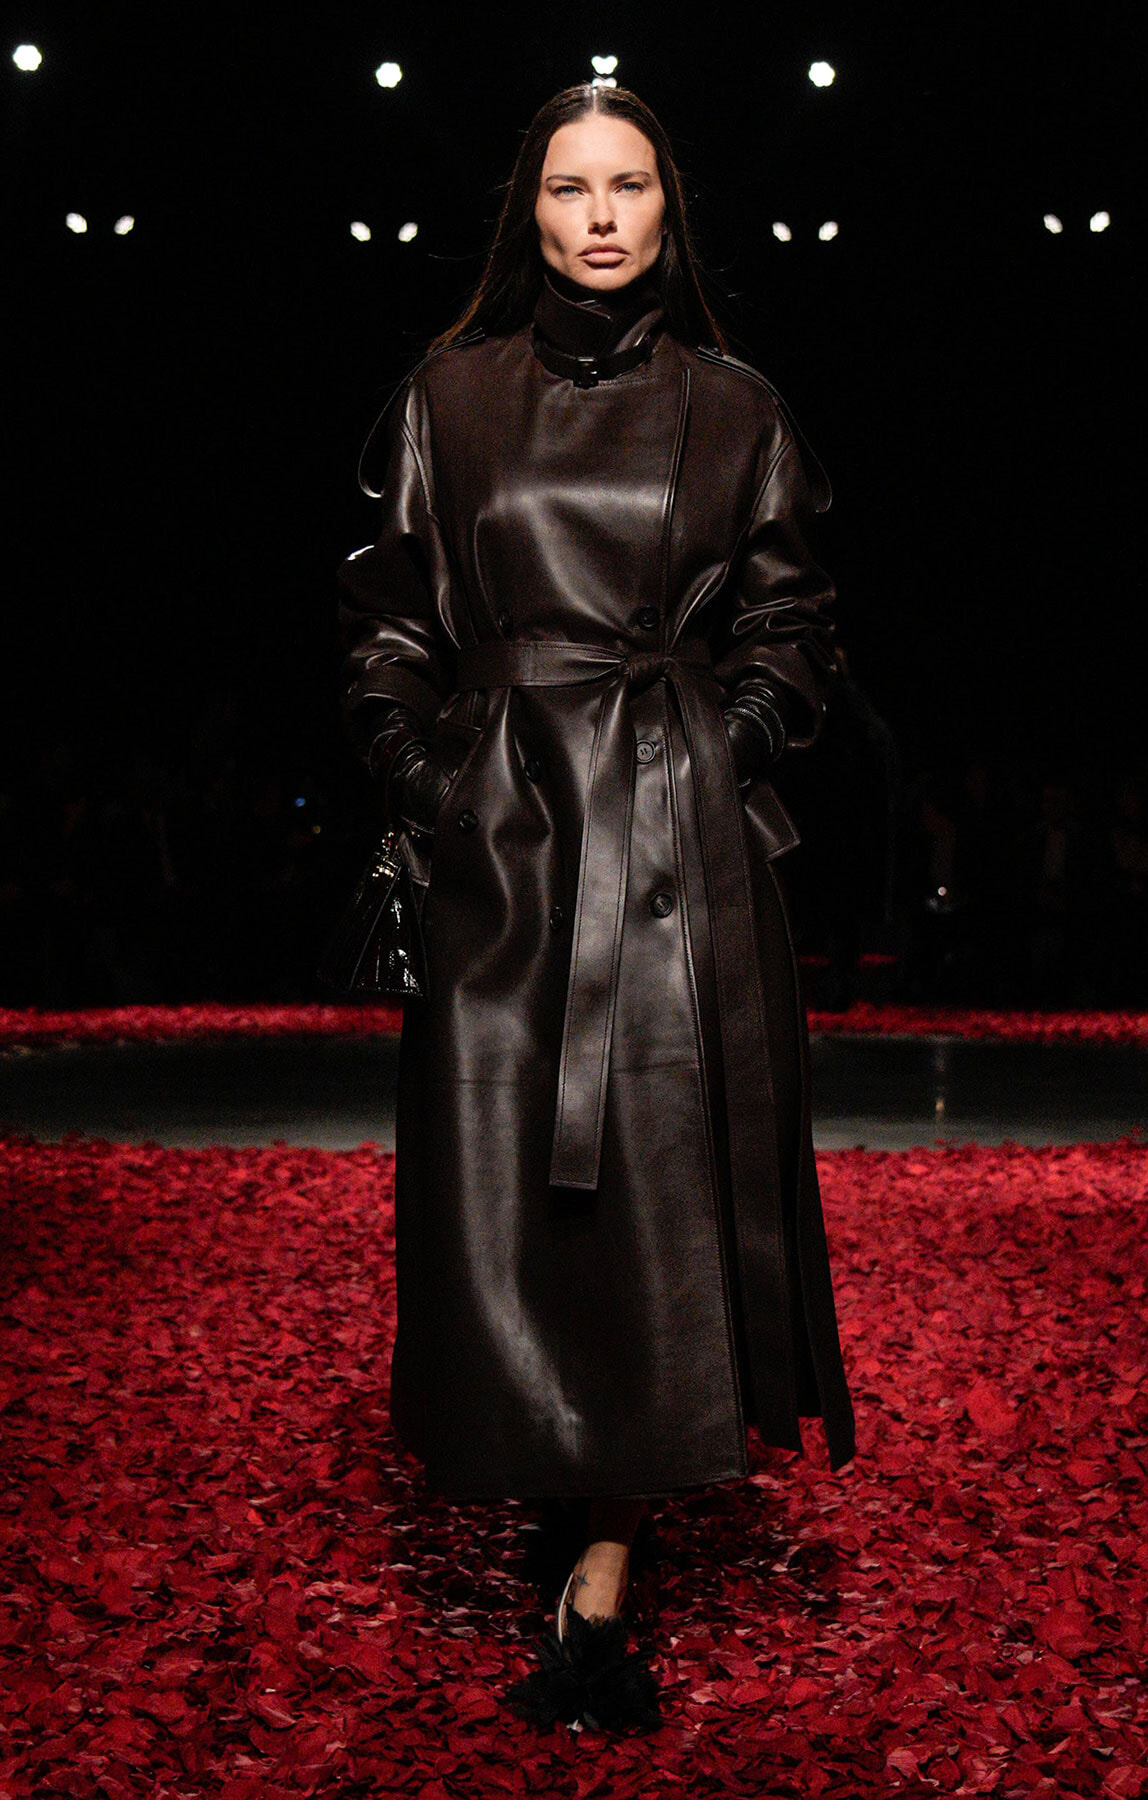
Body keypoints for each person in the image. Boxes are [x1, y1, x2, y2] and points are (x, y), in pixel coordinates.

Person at [335, 82, 855, 1733]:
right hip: (500, 848)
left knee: (651, 1191)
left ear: (670, 210)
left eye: (632, 185)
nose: (605, 215)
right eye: (573, 188)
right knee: (504, 1191)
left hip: (667, 844)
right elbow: (390, 622)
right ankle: (561, 1491)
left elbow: (794, 631)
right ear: (532, 212)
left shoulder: (734, 407)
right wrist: (432, 787)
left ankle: (603, 1584)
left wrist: (723, 746)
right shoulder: (449, 397)